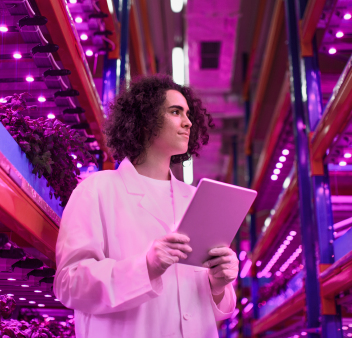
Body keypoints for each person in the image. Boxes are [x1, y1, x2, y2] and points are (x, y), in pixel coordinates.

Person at [54, 75, 239, 338]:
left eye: (188, 114)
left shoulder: (197, 198)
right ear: (143, 121)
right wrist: (146, 266)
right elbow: (69, 284)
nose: (187, 122)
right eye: (175, 112)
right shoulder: (97, 190)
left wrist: (218, 285)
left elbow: (207, 307)